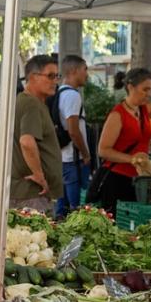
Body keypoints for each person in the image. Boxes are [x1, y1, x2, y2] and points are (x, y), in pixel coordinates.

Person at [95, 67, 151, 216]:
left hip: (138, 182)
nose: (149, 94)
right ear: (130, 87)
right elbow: (103, 150)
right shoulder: (117, 115)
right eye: (145, 90)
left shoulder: (143, 110)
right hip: (117, 180)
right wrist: (132, 159)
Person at [9, 54, 63, 213]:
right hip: (32, 195)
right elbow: (26, 141)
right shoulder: (31, 103)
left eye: (57, 76)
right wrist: (39, 176)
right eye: (50, 76)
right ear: (33, 77)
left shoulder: (27, 101)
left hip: (27, 193)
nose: (55, 81)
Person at [54, 54, 91, 218]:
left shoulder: (60, 93)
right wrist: (85, 154)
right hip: (72, 158)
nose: (87, 74)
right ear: (74, 71)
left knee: (62, 207)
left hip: (63, 156)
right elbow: (74, 130)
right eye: (85, 69)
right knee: (75, 210)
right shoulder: (72, 96)